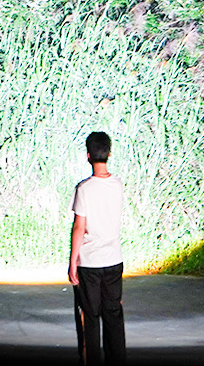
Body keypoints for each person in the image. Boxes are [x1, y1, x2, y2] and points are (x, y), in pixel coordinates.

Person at [68, 131, 126, 365]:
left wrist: (73, 262)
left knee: (90, 317)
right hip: (113, 260)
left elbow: (79, 227)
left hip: (90, 263)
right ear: (109, 154)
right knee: (114, 316)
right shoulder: (118, 185)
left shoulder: (84, 189)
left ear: (88, 155)